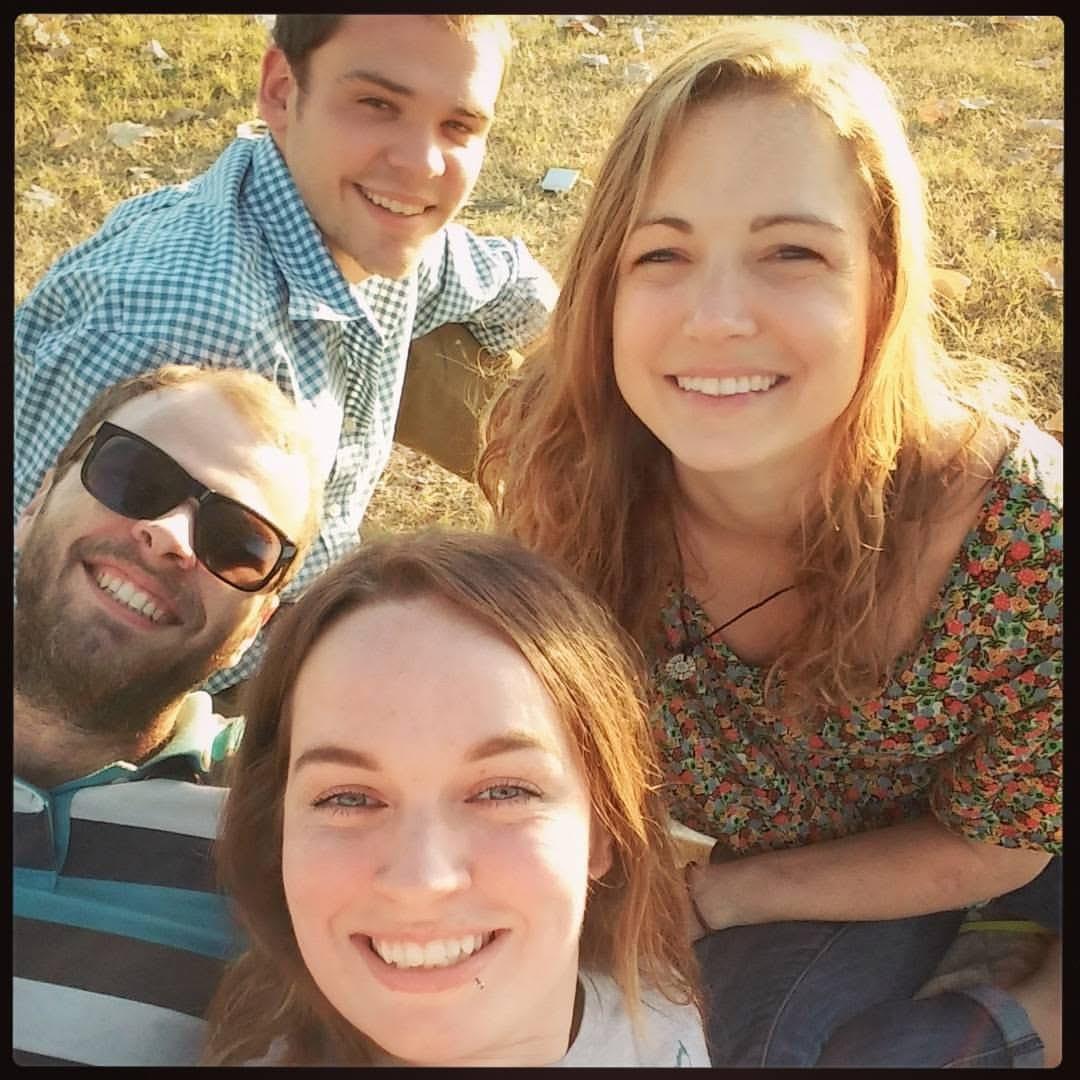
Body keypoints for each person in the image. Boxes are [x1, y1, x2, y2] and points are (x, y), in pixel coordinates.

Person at [481, 19, 1061, 1069]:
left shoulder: (1025, 543)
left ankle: (1035, 1011)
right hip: (797, 862)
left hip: (992, 842)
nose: (715, 316)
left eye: (790, 252)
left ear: (883, 281)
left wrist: (723, 896)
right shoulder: (564, 465)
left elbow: (998, 842)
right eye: (662, 252)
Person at [15, 14, 557, 702]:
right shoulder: (195, 342)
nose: (422, 163)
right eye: (376, 105)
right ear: (279, 89)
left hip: (285, 585)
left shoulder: (366, 219)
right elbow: (57, 640)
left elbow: (508, 282)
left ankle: (611, 539)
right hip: (170, 682)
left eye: (458, 126)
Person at [202, 531, 708, 1067]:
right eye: (348, 798)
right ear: (277, 835)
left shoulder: (660, 1017)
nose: (421, 881)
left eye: (503, 791)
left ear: (601, 832)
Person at [13, 364, 324, 1066]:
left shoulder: (285, 813)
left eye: (239, 543)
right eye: (134, 476)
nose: (171, 536)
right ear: (36, 500)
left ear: (256, 625)